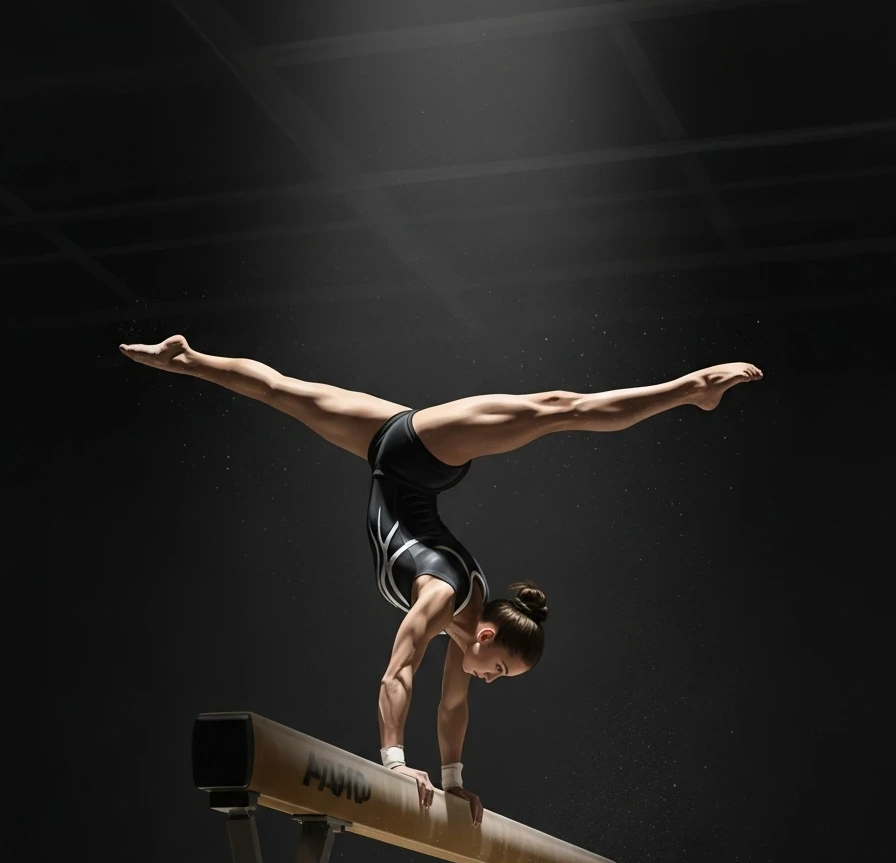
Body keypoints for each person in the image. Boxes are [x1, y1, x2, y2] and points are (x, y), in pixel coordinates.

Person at [120, 335, 761, 823]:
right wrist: (394, 766)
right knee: (557, 409)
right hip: (423, 454)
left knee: (281, 390)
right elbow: (397, 671)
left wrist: (453, 783)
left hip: (389, 449)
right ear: (486, 635)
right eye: (501, 669)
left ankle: (187, 359)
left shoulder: (464, 630)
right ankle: (693, 388)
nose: (491, 680)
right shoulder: (443, 593)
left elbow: (451, 705)